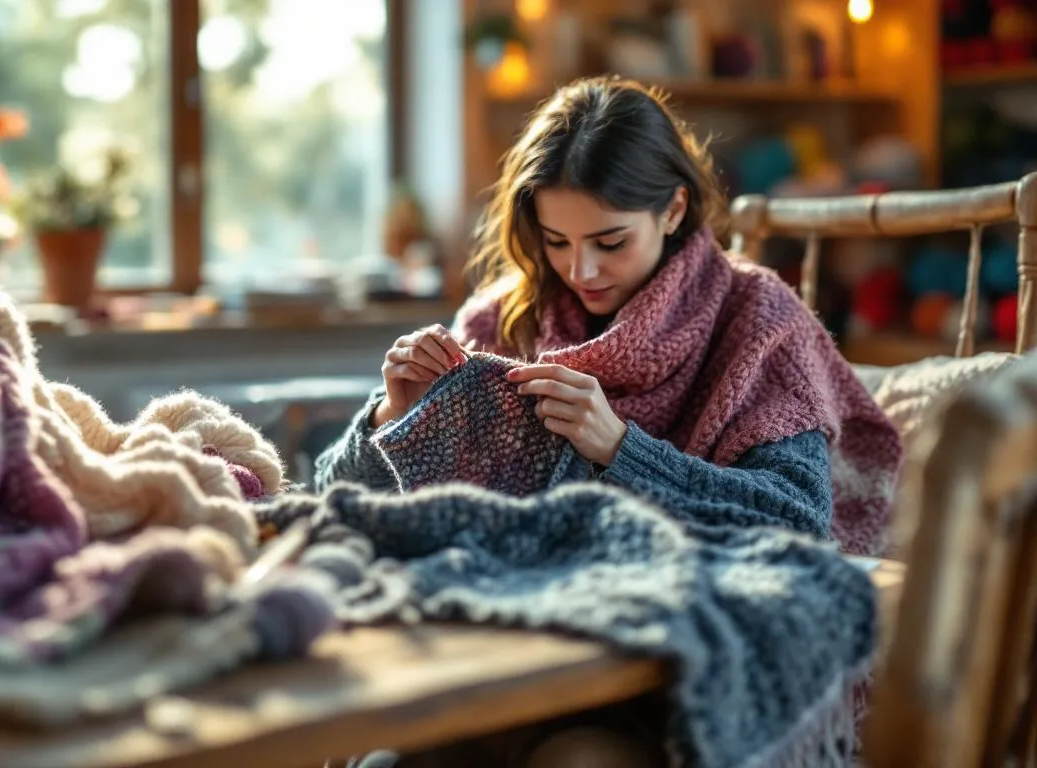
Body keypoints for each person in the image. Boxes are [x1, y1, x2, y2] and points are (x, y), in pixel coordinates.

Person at [315, 75, 901, 768]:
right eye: (556, 240)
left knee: (580, 759)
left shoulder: (756, 323)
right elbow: (339, 505)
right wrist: (393, 417)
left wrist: (621, 448)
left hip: (671, 669)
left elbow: (797, 521)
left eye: (610, 241)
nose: (580, 269)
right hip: (505, 653)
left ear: (674, 208)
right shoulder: (503, 318)